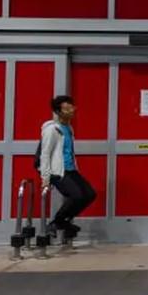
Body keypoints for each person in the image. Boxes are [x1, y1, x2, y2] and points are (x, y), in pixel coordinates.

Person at [37, 95, 96, 240]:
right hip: (57, 172)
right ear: (58, 112)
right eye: (67, 108)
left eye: (72, 107)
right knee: (76, 196)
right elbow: (45, 154)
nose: (71, 110)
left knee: (90, 194)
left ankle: (63, 222)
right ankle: (57, 222)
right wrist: (45, 177)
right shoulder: (52, 130)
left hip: (70, 169)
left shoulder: (68, 128)